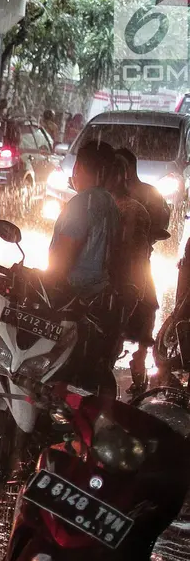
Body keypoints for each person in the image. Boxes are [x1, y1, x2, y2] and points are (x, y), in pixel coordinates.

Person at [117, 148, 168, 393]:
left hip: (138, 265)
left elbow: (161, 225)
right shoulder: (109, 195)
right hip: (116, 267)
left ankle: (139, 363)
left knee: (145, 309)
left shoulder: (146, 195)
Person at [48, 140, 120, 297]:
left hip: (71, 297)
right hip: (98, 295)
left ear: (77, 167)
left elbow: (65, 253)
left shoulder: (82, 203)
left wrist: (48, 283)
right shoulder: (110, 203)